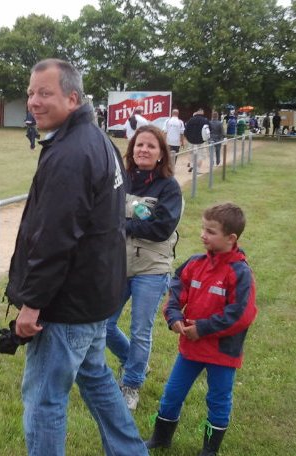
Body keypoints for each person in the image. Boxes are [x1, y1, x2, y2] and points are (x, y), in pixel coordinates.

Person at [5, 58, 148, 456]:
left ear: (72, 98)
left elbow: (55, 239)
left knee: (44, 399)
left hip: (68, 303)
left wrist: (33, 303)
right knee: (96, 377)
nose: (34, 101)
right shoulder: (95, 139)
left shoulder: (72, 152)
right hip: (94, 295)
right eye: (31, 93)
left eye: (44, 93)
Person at [145, 203, 257, 455]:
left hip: (222, 352)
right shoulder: (195, 264)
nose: (203, 235)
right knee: (172, 393)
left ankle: (209, 449)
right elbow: (176, 291)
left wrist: (203, 328)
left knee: (218, 399)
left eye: (210, 231)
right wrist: (174, 316)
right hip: (191, 349)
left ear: (231, 238)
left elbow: (241, 315)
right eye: (203, 229)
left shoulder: (240, 273)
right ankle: (161, 438)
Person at [106, 125, 183, 411]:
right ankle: (133, 362)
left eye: (151, 146)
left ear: (161, 153)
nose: (144, 150)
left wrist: (124, 226)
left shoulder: (169, 187)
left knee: (140, 330)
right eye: (139, 145)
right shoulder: (120, 181)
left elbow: (162, 229)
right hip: (119, 265)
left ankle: (131, 384)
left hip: (152, 268)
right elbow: (104, 215)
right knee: (104, 325)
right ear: (131, 149)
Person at [185, 109, 210, 173]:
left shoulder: (190, 120)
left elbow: (186, 131)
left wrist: (188, 138)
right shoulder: (205, 120)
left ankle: (192, 166)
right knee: (200, 155)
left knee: (192, 154)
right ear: (202, 114)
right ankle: (197, 170)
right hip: (201, 140)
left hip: (191, 140)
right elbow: (209, 130)